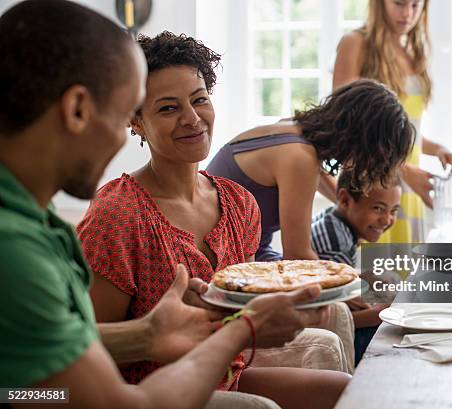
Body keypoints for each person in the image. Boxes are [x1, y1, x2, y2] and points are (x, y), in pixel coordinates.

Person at [0, 2, 338, 408]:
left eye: (199, 101)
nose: (118, 140)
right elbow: (109, 402)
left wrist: (145, 335)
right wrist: (241, 328)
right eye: (123, 113)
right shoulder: (17, 250)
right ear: (79, 110)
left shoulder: (34, 224)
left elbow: (50, 359)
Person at [76, 31, 350, 408]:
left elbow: (242, 306)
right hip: (149, 391)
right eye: (168, 108)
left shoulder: (239, 203)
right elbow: (87, 349)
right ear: (136, 122)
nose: (192, 119)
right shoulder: (119, 215)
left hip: (224, 371)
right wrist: (152, 332)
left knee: (346, 390)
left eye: (199, 99)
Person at [207, 79, 414, 261]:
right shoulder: (301, 158)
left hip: (243, 251)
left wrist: (359, 214)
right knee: (362, 299)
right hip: (225, 257)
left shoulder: (296, 129)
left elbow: (334, 194)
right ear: (365, 141)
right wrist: (357, 286)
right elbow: (297, 256)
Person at [333, 0, 452, 243]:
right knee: (371, 276)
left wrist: (436, 149)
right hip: (371, 186)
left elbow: (401, 128)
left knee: (405, 275)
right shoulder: (355, 44)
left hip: (407, 186)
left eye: (416, 5)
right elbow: (344, 126)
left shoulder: (414, 52)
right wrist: (402, 169)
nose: (408, 14)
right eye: (399, 3)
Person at [311, 169, 401, 364]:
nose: (387, 220)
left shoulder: (333, 220)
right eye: (378, 208)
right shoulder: (336, 244)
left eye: (393, 211)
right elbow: (336, 317)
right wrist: (385, 312)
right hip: (322, 323)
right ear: (345, 200)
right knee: (390, 320)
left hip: (334, 308)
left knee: (391, 282)